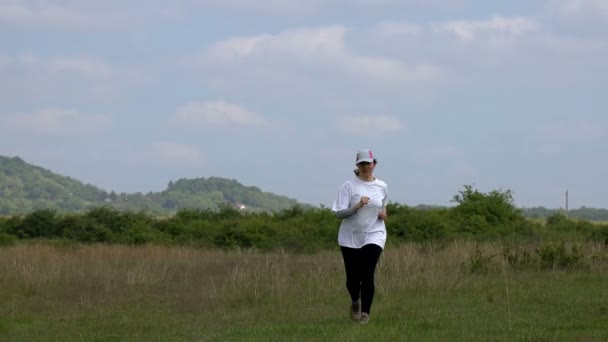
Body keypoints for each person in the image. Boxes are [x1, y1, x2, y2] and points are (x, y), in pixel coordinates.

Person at [331, 149, 388, 325]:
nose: (366, 167)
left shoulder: (382, 186)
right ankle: (355, 300)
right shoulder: (349, 186)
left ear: (374, 164)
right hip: (350, 237)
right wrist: (357, 206)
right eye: (362, 164)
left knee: (368, 273)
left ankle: (365, 314)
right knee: (353, 279)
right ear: (357, 166)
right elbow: (339, 214)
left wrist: (383, 214)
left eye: (368, 163)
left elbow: (383, 205)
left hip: (374, 234)